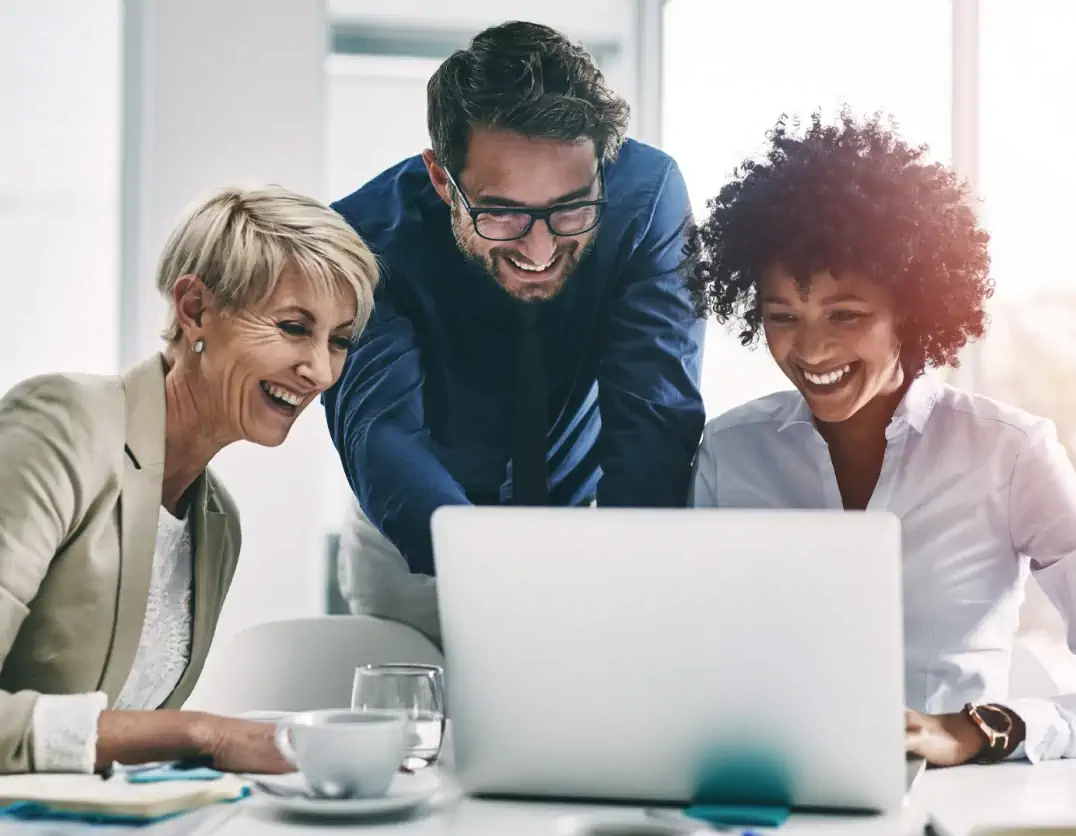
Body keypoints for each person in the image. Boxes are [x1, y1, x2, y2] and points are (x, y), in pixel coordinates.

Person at [688, 111, 1076, 766]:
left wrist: (975, 730)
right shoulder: (730, 454)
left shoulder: (1010, 453)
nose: (810, 349)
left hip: (954, 805)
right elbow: (689, 654)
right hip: (775, 786)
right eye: (783, 316)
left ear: (913, 308)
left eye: (847, 315)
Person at [325, 20, 706, 642]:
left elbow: (655, 410)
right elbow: (382, 432)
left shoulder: (647, 196)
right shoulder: (362, 236)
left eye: (570, 208)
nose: (539, 247)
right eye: (501, 211)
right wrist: (501, 577)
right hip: (415, 547)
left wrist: (622, 571)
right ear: (442, 177)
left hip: (592, 527)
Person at [0, 185, 378, 774]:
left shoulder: (217, 524)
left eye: (339, 340)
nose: (321, 370)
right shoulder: (64, 425)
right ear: (195, 308)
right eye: (294, 327)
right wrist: (201, 732)